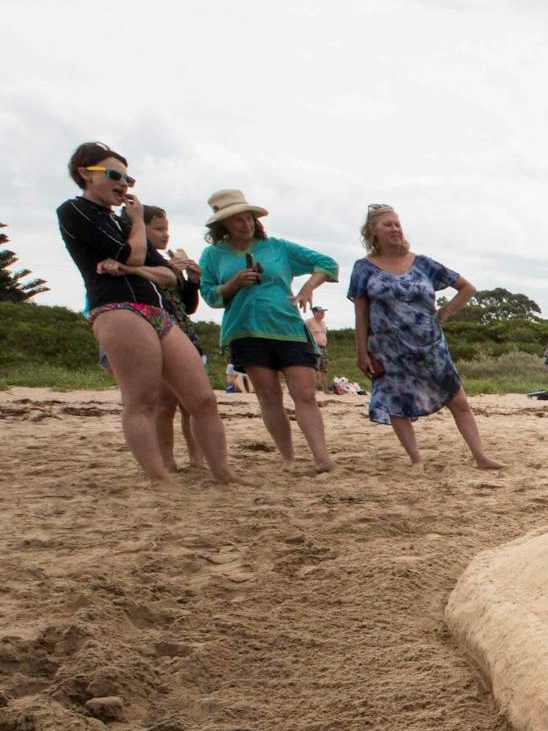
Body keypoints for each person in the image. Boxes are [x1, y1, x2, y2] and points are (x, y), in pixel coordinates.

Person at [56, 142, 239, 487]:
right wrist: (137, 225)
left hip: (157, 309)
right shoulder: (74, 210)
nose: (124, 185)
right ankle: (159, 478)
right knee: (142, 400)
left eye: (129, 179)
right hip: (115, 308)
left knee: (202, 399)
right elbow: (136, 255)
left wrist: (131, 267)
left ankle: (223, 473)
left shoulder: (121, 221)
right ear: (85, 174)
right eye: (114, 175)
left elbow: (168, 275)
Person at [349, 205, 502, 469]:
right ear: (373, 230)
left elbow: (467, 288)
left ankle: (481, 457)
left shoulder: (423, 263)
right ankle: (416, 459)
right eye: (388, 224)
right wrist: (362, 352)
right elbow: (361, 313)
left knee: (458, 399)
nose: (395, 229)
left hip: (429, 345)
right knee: (397, 403)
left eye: (397, 224)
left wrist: (444, 312)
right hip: (388, 348)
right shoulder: (363, 268)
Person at [199, 189, 338, 473]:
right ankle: (287, 458)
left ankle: (322, 459)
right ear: (222, 224)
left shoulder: (277, 247)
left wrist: (308, 287)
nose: (245, 223)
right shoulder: (212, 255)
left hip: (288, 327)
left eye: (248, 217)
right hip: (246, 331)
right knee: (269, 397)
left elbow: (328, 264)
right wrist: (234, 283)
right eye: (236, 219)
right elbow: (210, 296)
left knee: (305, 394)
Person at [143, 205, 209, 473]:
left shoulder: (166, 262)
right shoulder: (142, 262)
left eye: (166, 229)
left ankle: (197, 458)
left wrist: (192, 280)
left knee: (191, 403)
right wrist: (168, 271)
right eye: (158, 229)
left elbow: (187, 306)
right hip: (158, 333)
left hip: (183, 333)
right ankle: (167, 460)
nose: (165, 235)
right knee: (165, 403)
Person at [306, 304, 330, 392]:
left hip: (323, 348)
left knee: (324, 369)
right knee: (314, 368)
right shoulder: (308, 322)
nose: (322, 314)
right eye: (320, 312)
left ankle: (325, 390)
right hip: (314, 347)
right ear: (314, 313)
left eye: (323, 312)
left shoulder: (323, 323)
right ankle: (312, 389)